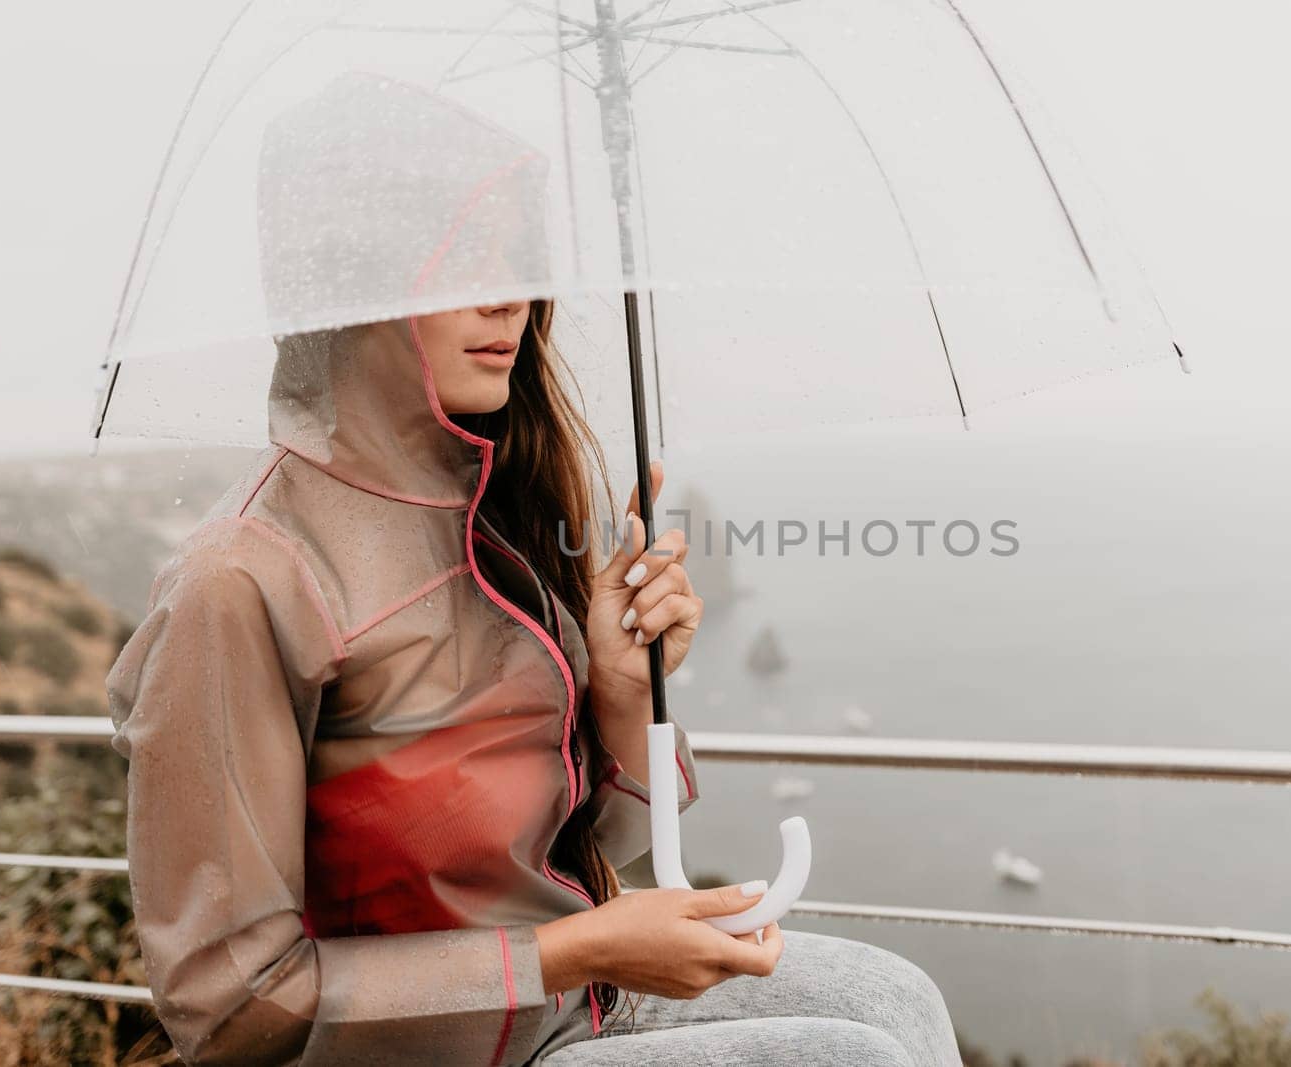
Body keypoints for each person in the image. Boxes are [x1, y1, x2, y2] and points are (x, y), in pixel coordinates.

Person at [105, 71, 964, 1066]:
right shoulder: (241, 579)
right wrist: (574, 949)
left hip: (566, 1007)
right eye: (456, 256)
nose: (508, 293)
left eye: (516, 255)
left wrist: (616, 686)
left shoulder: (491, 519)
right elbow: (228, 1009)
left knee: (890, 997)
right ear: (354, 281)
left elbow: (598, 845)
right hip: (434, 1051)